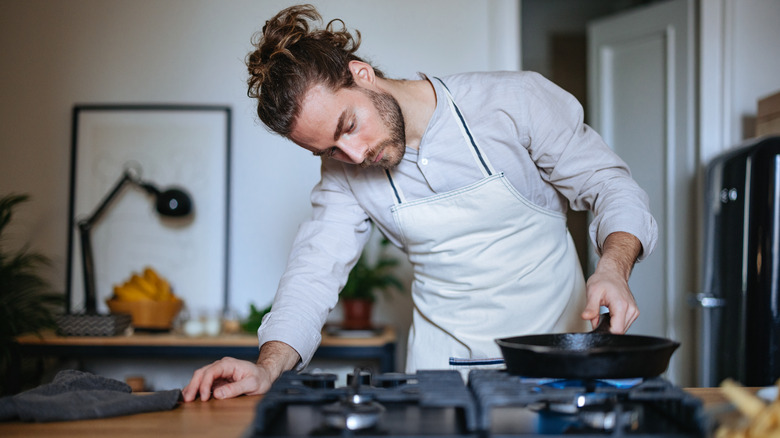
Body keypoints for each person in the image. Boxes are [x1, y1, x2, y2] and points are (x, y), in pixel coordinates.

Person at [182, 4, 657, 402]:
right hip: (440, 376)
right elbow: (313, 274)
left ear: (362, 75)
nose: (351, 156)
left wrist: (613, 268)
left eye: (347, 126)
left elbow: (610, 186)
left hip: (556, 360)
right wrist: (266, 369)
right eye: (326, 149)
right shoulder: (344, 174)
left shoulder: (511, 101)